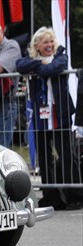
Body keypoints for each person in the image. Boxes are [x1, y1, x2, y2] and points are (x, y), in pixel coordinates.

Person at [16, 27, 82, 210]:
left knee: (67, 155)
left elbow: (55, 68)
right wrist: (39, 64)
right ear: (36, 45)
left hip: (59, 114)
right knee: (45, 158)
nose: (49, 45)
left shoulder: (61, 55)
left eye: (51, 41)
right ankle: (51, 196)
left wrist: (39, 67)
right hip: (40, 117)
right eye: (45, 42)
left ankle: (75, 195)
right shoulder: (31, 60)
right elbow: (19, 66)